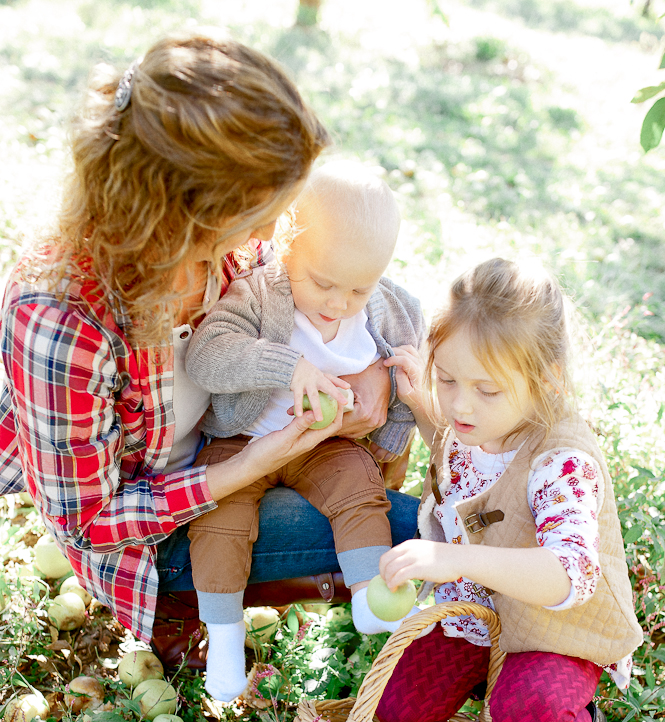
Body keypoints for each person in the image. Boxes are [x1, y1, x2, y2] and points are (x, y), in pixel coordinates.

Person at [0, 35, 419, 675]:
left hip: (247, 454)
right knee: (416, 532)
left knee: (381, 509)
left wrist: (372, 378)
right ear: (181, 214)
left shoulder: (226, 250)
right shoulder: (60, 322)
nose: (274, 235)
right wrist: (247, 464)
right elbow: (90, 523)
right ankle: (182, 602)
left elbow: (340, 291)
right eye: (261, 215)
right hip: (151, 532)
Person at [377, 257, 642, 722]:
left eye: (485, 389)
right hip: (482, 612)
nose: (460, 404)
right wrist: (425, 407)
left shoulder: (560, 461)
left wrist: (451, 557)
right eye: (446, 378)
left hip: (553, 626)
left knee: (529, 717)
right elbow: (468, 476)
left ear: (545, 381)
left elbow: (567, 573)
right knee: (398, 709)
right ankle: (489, 672)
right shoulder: (472, 423)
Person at [184, 161, 425, 702]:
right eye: (324, 283)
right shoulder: (260, 294)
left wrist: (386, 444)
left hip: (325, 443)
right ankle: (223, 634)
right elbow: (207, 355)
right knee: (220, 516)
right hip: (244, 439)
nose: (339, 303)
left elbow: (405, 371)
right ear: (287, 245)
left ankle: (368, 594)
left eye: (359, 289)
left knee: (361, 491)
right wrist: (288, 368)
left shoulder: (389, 312)